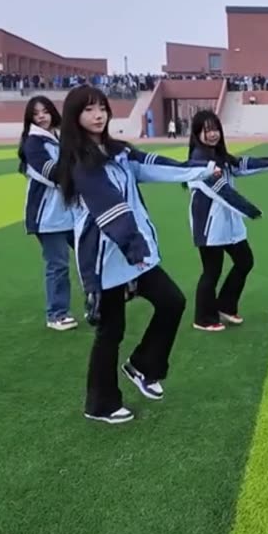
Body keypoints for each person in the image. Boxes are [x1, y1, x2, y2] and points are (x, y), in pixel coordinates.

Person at [54, 85, 219, 424]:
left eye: (101, 107)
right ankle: (100, 404)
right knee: (111, 331)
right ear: (75, 117)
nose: (98, 115)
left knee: (172, 302)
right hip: (107, 258)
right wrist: (135, 247)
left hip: (134, 253)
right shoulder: (81, 163)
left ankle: (144, 366)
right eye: (88, 110)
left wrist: (200, 170)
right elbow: (108, 207)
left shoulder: (119, 152)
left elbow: (155, 165)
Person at [185, 109, 268, 331]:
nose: (213, 134)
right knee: (212, 270)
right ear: (196, 133)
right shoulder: (198, 161)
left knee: (245, 261)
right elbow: (222, 191)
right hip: (209, 225)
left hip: (227, 223)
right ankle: (203, 318)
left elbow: (245, 165)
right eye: (207, 130)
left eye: (215, 129)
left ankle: (225, 305)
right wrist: (251, 210)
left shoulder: (221, 157)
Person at [18, 95, 84, 331]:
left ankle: (95, 304)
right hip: (47, 216)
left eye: (45, 111)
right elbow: (52, 173)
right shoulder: (34, 142)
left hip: (70, 212)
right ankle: (56, 314)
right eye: (36, 114)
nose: (41, 116)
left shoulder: (59, 136)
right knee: (57, 265)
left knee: (89, 256)